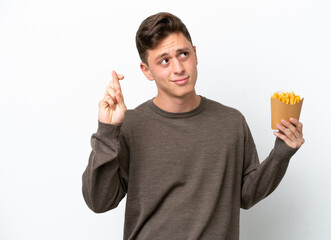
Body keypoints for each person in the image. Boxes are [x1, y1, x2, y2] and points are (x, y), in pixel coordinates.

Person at [82, 12, 305, 240]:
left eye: (183, 54)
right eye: (164, 61)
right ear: (146, 70)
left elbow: (246, 196)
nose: (178, 68)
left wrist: (281, 154)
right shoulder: (130, 126)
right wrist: (107, 131)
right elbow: (100, 202)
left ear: (195, 54)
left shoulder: (231, 122)